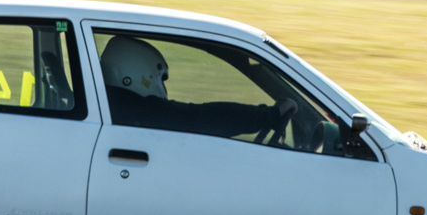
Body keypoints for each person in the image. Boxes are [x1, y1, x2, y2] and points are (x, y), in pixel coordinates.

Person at [100, 35, 295, 141]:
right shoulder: (135, 110)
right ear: (134, 74)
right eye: (160, 79)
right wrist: (270, 115)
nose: (163, 88)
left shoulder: (108, 105)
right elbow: (198, 118)